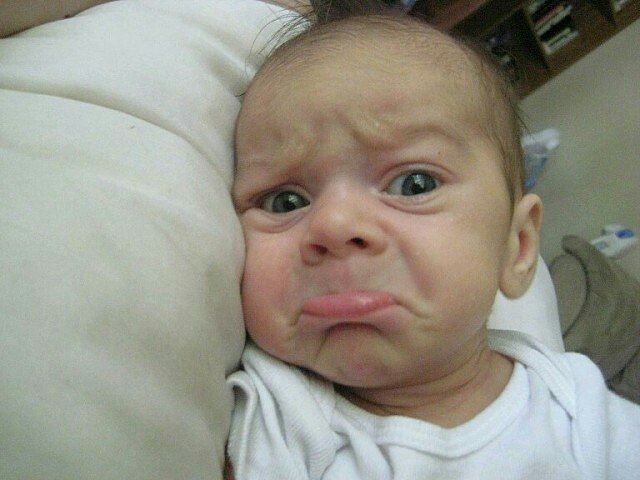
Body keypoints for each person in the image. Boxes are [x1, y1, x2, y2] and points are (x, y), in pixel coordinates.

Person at [226, 8, 640, 480]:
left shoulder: (577, 408)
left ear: (518, 248)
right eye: (284, 201)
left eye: (414, 184)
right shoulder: (278, 415)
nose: (334, 225)